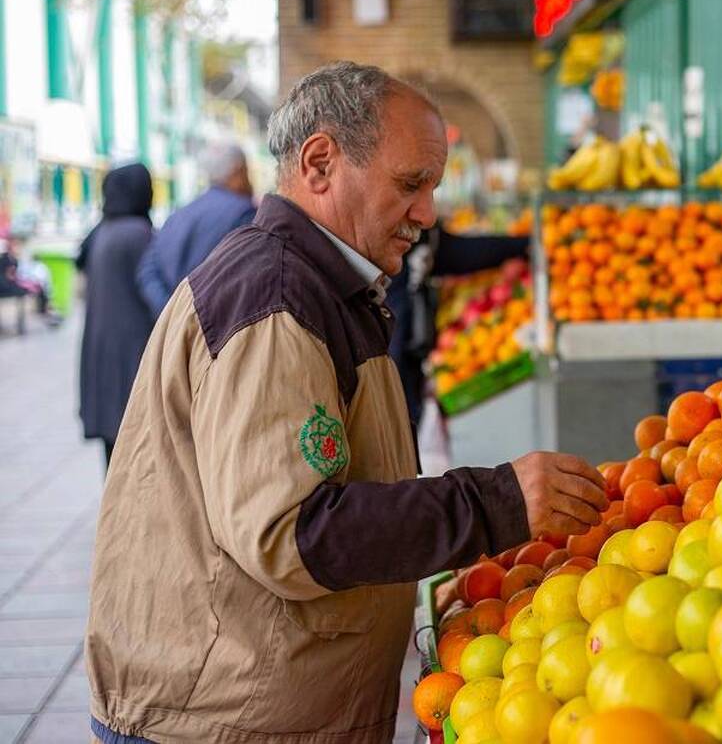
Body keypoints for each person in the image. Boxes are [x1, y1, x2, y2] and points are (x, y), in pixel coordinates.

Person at [86, 61, 607, 744]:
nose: (426, 214)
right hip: (219, 720)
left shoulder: (323, 284)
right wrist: (493, 501)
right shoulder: (276, 296)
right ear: (322, 162)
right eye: (411, 184)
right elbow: (293, 530)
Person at [386, 222, 529, 427]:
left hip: (407, 360)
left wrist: (520, 245)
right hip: (393, 365)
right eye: (410, 188)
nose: (428, 214)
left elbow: (450, 252)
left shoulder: (419, 232)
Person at [76, 163, 155, 466]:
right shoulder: (138, 235)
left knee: (113, 455)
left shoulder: (102, 232)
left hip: (102, 353)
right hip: (131, 356)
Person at [136, 142, 256, 316]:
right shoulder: (245, 214)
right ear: (238, 172)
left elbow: (147, 271)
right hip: (219, 333)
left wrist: (173, 314)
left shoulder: (178, 215)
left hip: (178, 329)